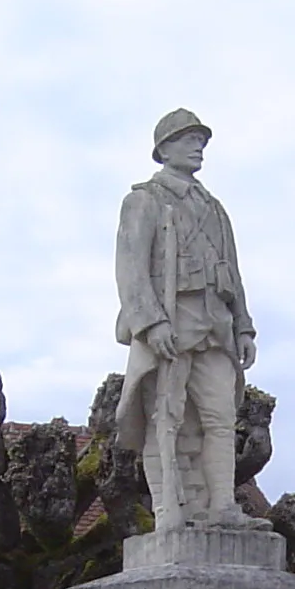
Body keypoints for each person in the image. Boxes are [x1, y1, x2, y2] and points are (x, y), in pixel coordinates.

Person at [113, 109, 267, 529]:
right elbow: (130, 269)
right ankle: (167, 511)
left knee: (220, 418)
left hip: (216, 325)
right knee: (166, 418)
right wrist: (150, 323)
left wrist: (244, 326)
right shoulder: (144, 200)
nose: (198, 146)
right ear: (163, 149)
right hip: (172, 320)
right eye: (188, 139)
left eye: (201, 139)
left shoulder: (215, 209)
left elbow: (232, 271)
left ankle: (222, 507)